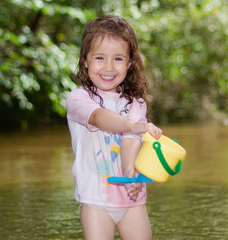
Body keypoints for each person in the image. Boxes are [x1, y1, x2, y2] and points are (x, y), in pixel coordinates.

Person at [66, 14, 162, 240]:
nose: (108, 67)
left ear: (129, 62)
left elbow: (130, 138)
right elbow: (100, 118)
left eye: (118, 59)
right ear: (86, 60)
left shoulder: (135, 103)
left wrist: (130, 172)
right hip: (95, 201)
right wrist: (134, 125)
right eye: (100, 57)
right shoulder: (78, 99)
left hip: (132, 199)